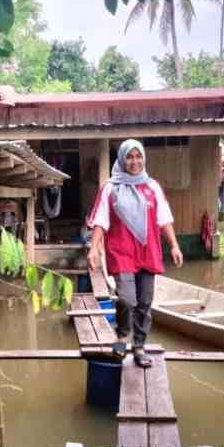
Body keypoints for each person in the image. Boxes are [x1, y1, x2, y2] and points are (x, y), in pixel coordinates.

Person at [86, 139, 183, 367]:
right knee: (127, 299)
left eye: (138, 156)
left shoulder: (152, 187)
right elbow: (101, 220)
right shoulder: (110, 188)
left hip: (148, 251)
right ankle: (121, 337)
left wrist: (174, 245)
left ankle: (139, 346)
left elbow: (164, 218)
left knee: (145, 302)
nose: (134, 162)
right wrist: (93, 249)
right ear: (121, 159)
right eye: (129, 157)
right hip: (121, 251)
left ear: (144, 159)